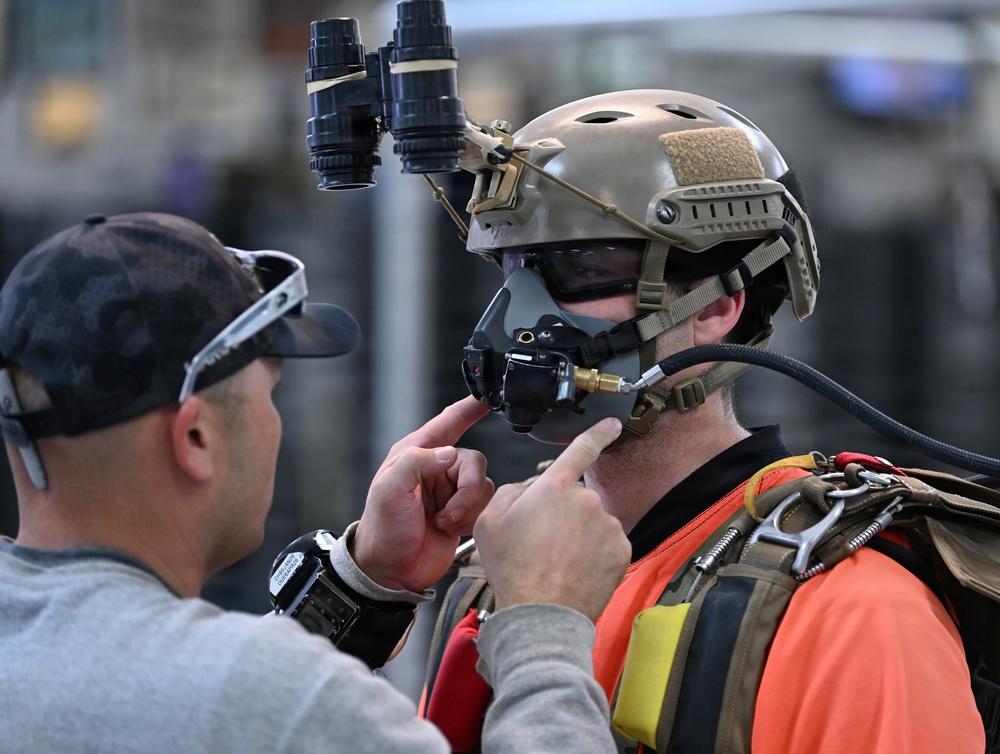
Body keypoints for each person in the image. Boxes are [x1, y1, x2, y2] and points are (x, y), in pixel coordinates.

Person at [422, 89, 985, 752]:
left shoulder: (856, 614)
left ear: (716, 308)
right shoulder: (496, 579)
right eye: (515, 268)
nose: (516, 317)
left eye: (582, 266)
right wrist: (367, 591)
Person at [0, 211, 632, 753]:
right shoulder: (276, 697)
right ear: (195, 438)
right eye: (268, 393)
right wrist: (544, 627)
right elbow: (248, 703)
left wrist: (365, 585)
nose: (273, 422)